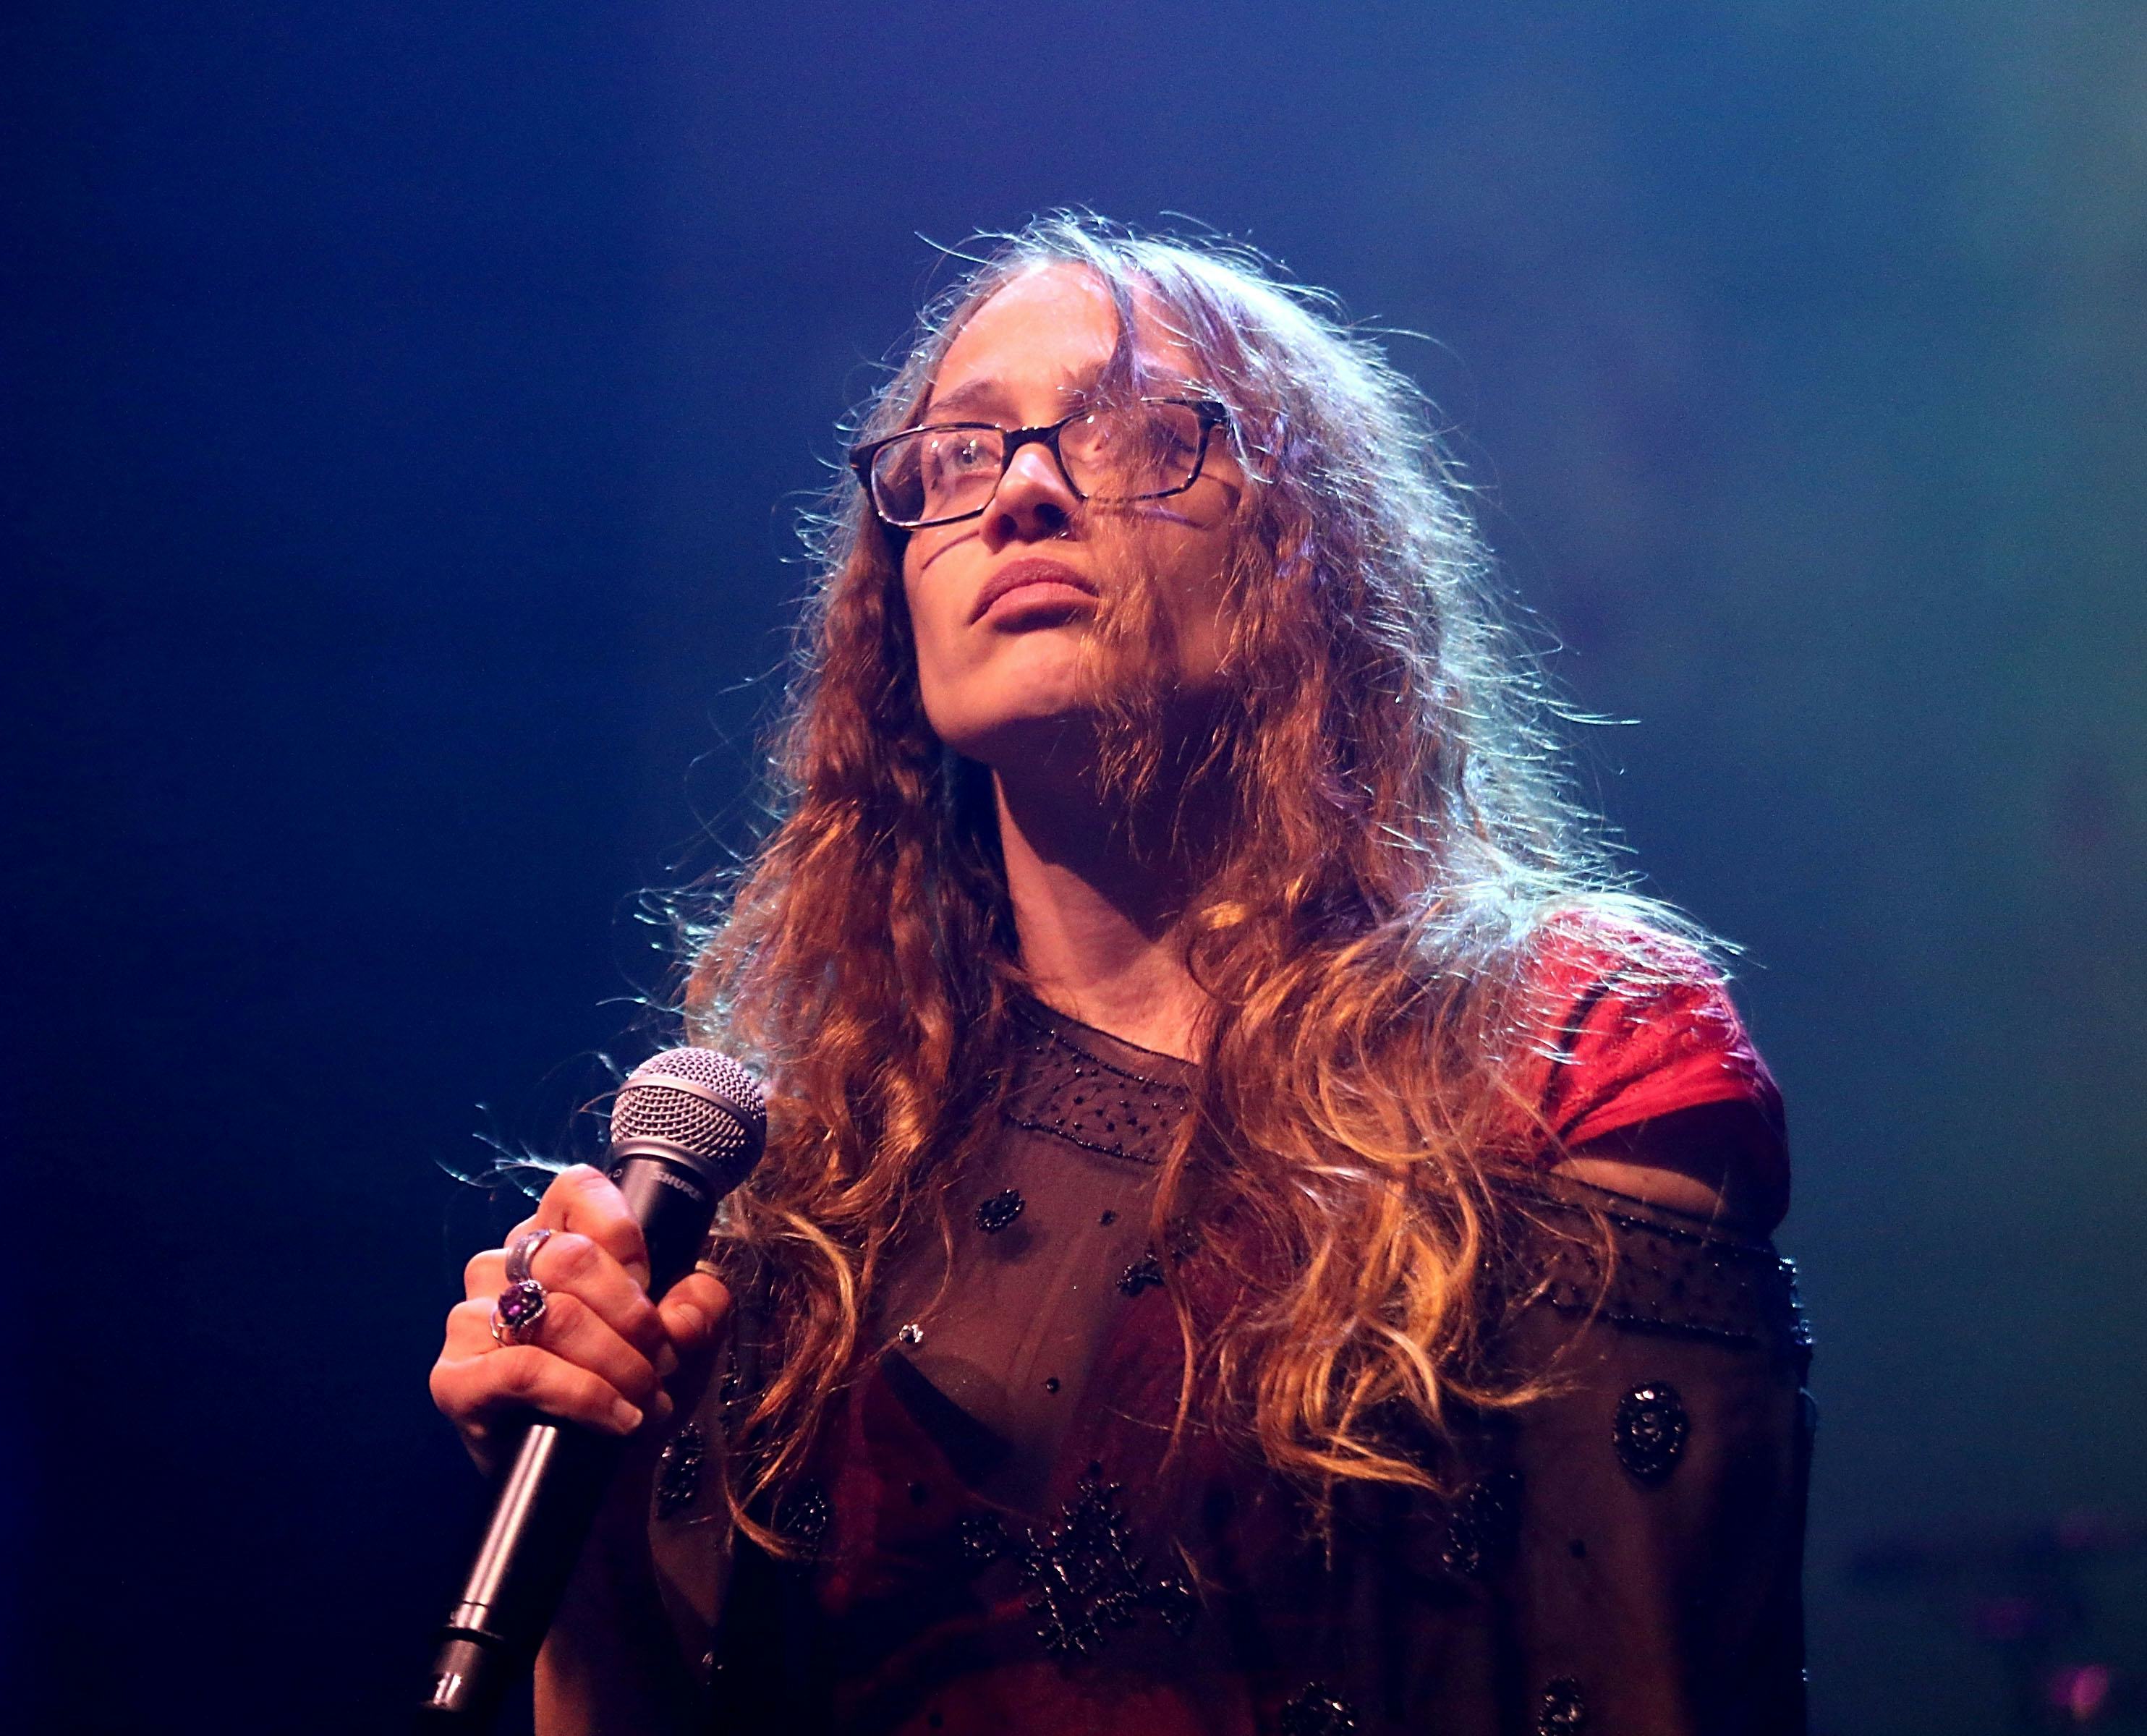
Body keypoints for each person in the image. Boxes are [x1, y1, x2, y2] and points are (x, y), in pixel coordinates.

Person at [430, 218, 1811, 1735]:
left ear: (1308, 553)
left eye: (1132, 433)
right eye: (954, 458)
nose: (1022, 489)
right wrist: (581, 1521)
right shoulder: (805, 1180)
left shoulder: (1559, 1047)